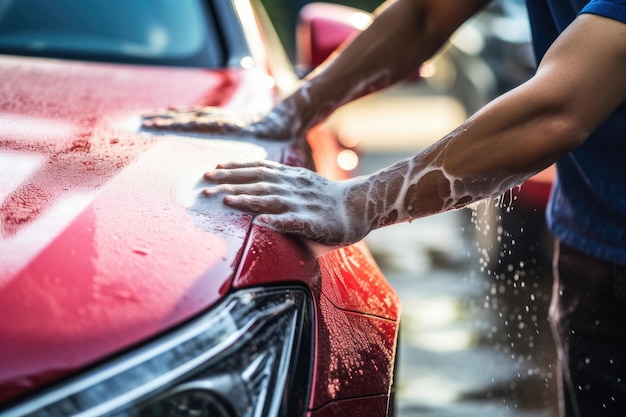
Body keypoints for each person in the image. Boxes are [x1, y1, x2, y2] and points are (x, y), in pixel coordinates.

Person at [143, 0, 626, 415]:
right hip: (591, 235)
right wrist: (286, 114)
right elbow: (423, 14)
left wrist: (358, 202)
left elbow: (559, 111)